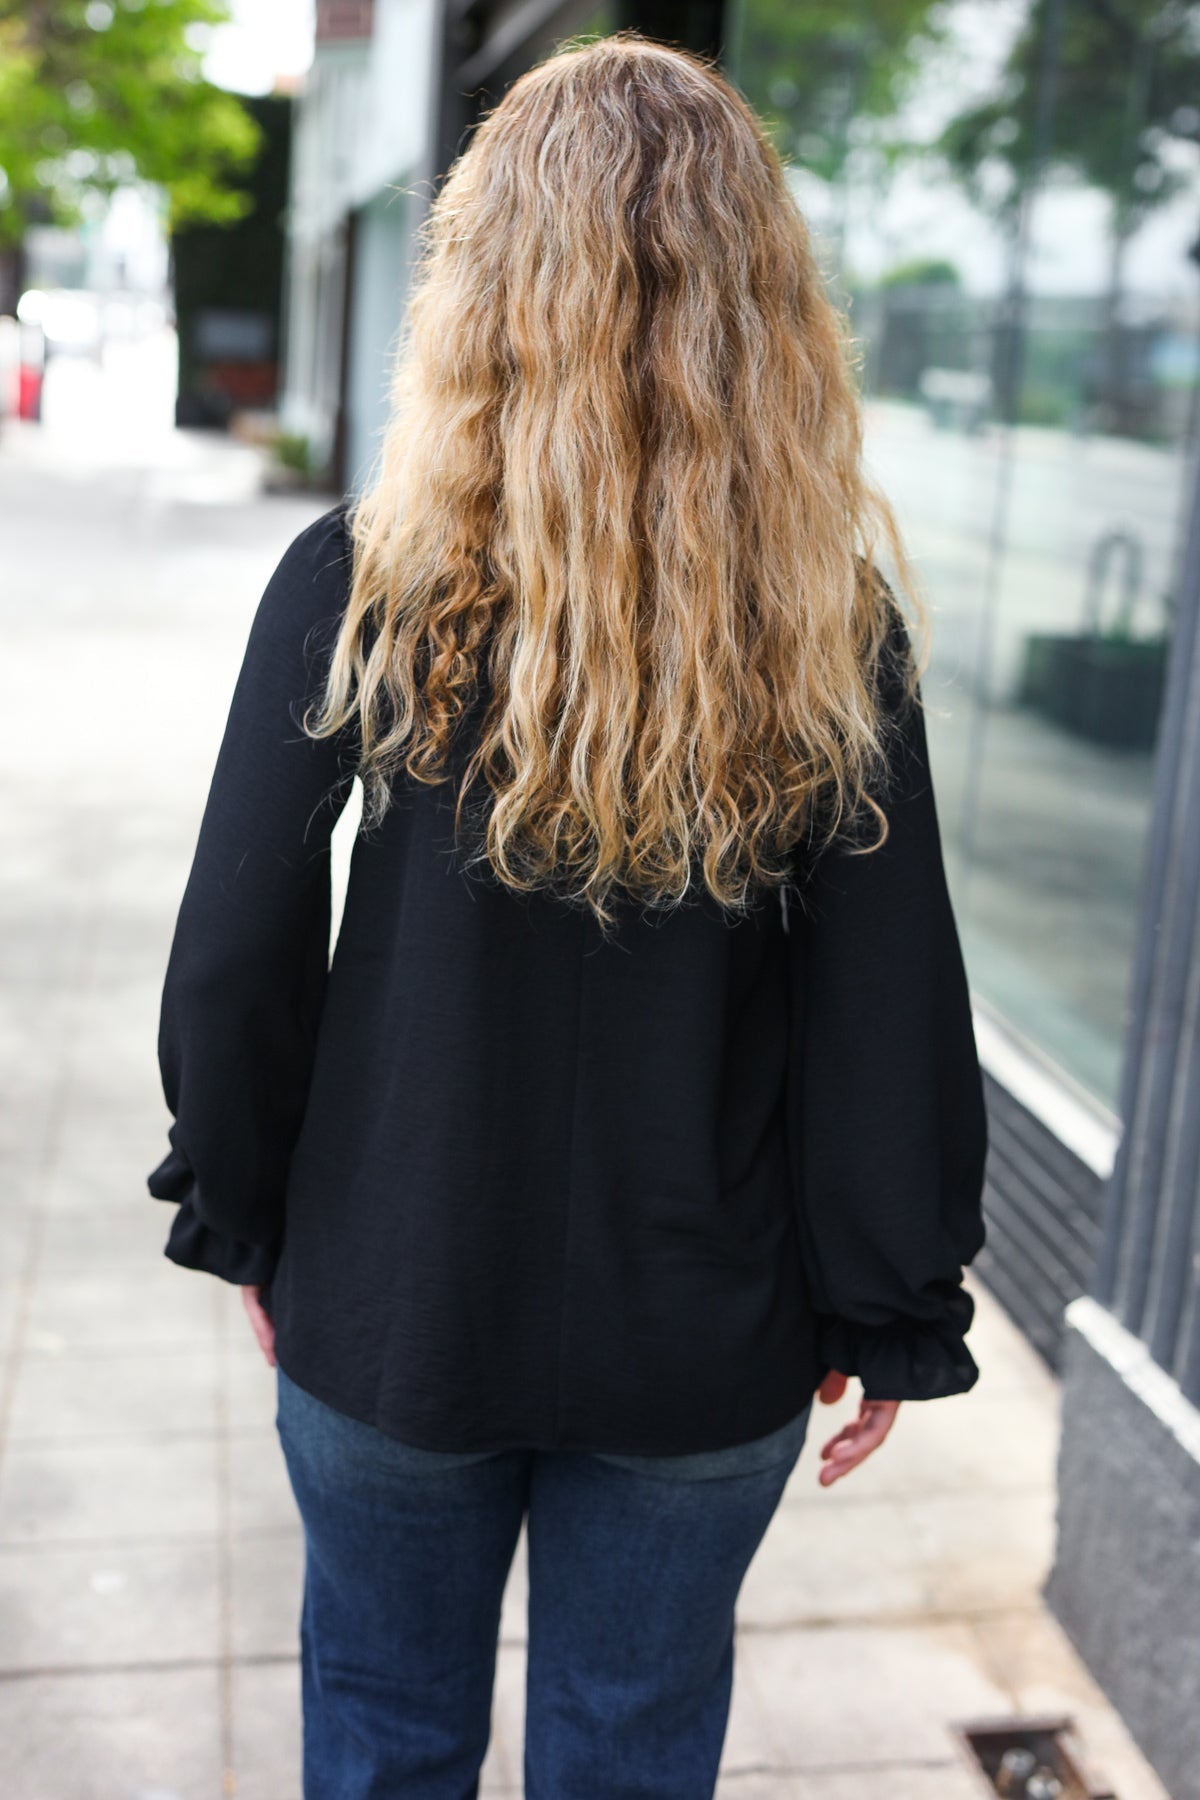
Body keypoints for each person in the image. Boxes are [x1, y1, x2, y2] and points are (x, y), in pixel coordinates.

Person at [148, 30, 988, 1800]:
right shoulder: (829, 630)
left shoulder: (362, 586)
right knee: (631, 1752)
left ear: (479, 283)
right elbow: (888, 1005)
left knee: (381, 1737)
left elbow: (232, 957)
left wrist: (247, 1211)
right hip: (703, 1328)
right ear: (759, 308)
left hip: (394, 1298)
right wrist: (888, 1298)